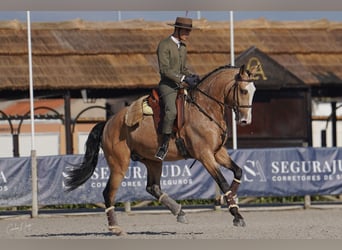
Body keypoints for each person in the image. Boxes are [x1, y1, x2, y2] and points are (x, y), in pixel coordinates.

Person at [154, 16, 200, 161]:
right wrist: (182, 79)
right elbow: (164, 70)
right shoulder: (164, 45)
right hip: (168, 85)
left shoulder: (183, 47)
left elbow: (183, 68)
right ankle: (164, 144)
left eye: (189, 31)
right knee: (171, 111)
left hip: (181, 84)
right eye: (186, 31)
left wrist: (192, 76)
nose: (188, 34)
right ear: (177, 29)